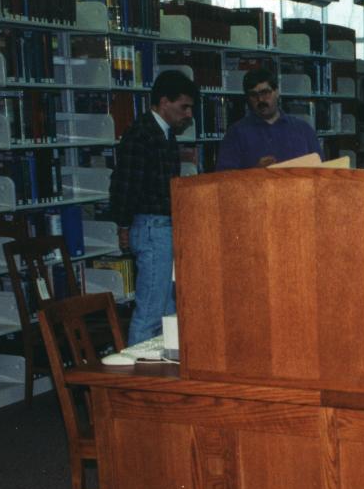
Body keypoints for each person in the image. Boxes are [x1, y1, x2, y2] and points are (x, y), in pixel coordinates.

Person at [109, 69, 197, 345]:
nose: (188, 114)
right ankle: (137, 377)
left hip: (162, 228)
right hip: (152, 228)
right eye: (184, 107)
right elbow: (124, 185)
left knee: (168, 311)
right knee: (149, 311)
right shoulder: (142, 135)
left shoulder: (163, 134)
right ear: (163, 102)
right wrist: (123, 224)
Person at [215, 68, 323, 170]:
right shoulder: (236, 134)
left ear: (276, 92)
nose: (260, 99)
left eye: (265, 93)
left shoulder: (303, 130)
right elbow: (225, 180)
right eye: (253, 95)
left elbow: (322, 170)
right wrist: (256, 172)